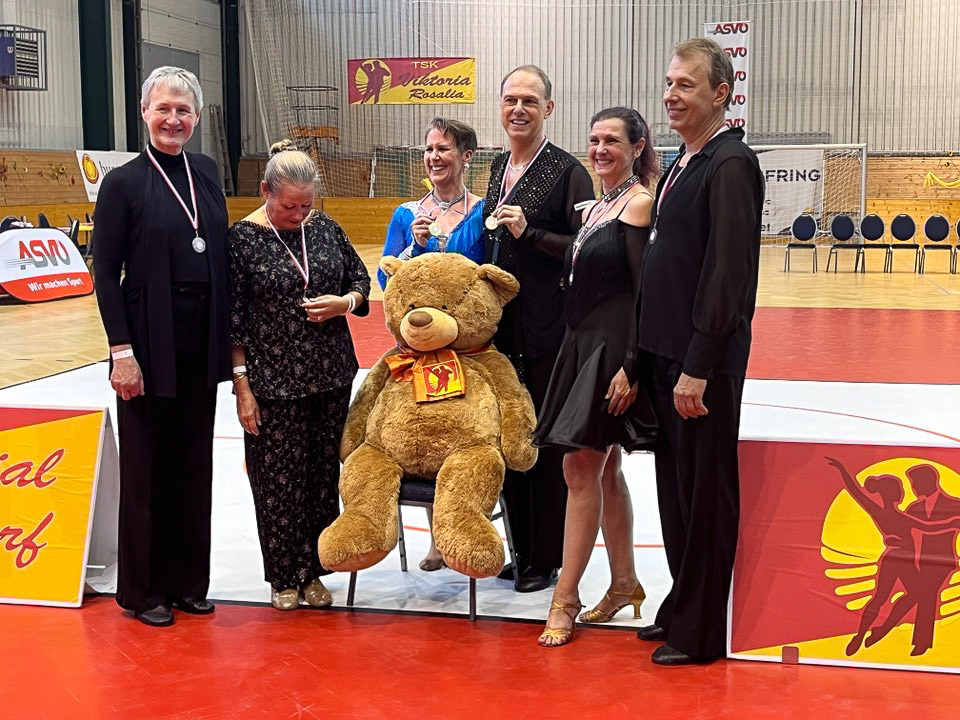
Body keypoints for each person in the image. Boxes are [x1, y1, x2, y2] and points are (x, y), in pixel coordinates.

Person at [635, 38, 765, 665]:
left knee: (705, 494)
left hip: (701, 364)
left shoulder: (730, 164)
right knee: (676, 493)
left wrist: (698, 364)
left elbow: (726, 272)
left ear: (721, 94)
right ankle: (681, 603)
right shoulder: (683, 161)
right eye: (669, 83)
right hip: (667, 356)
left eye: (685, 85)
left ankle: (702, 631)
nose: (671, 95)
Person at [92, 66, 231, 627]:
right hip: (148, 338)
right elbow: (105, 273)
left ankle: (187, 582)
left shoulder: (207, 172)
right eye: (164, 108)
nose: (173, 119)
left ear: (195, 118)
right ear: (144, 112)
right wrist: (121, 352)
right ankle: (145, 590)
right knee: (147, 468)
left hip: (201, 336)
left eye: (184, 110)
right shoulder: (123, 183)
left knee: (193, 463)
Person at [532, 107, 659, 646]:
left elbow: (643, 292)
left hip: (613, 350)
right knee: (605, 473)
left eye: (612, 140)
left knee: (578, 468)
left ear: (637, 147)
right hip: (582, 343)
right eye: (594, 140)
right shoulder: (598, 206)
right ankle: (625, 582)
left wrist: (633, 364)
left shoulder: (639, 203)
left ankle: (565, 598)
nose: (600, 149)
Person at [227, 141, 371, 610]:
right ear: (265, 191)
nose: (298, 214)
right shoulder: (242, 240)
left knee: (321, 479)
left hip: (330, 376)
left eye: (306, 205)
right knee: (277, 483)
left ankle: (315, 571)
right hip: (273, 383)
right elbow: (233, 320)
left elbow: (361, 281)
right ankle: (283, 575)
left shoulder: (324, 227)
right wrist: (242, 387)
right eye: (289, 205)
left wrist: (344, 303)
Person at [483, 64, 594, 593]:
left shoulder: (568, 172)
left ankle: (545, 558)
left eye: (530, 100)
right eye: (511, 100)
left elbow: (585, 248)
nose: (519, 109)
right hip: (503, 332)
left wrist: (531, 234)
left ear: (548, 108)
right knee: (511, 438)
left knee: (545, 443)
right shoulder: (497, 166)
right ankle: (521, 550)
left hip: (549, 330)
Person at [379, 117, 485, 570]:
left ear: (466, 156)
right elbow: (387, 276)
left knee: (466, 439)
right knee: (428, 438)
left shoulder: (483, 212)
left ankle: (466, 530)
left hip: (470, 347)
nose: (434, 157)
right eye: (429, 149)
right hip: (422, 348)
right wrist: (414, 247)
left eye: (443, 149)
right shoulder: (407, 214)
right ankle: (437, 539)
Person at [826, 458, 960, 656]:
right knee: (912, 595)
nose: (910, 489)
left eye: (913, 484)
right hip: (904, 560)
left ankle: (867, 634)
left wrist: (843, 471)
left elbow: (856, 492)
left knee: (892, 597)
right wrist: (952, 522)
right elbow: (930, 528)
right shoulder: (909, 513)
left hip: (908, 560)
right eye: (904, 488)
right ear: (896, 494)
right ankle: (879, 631)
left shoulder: (891, 513)